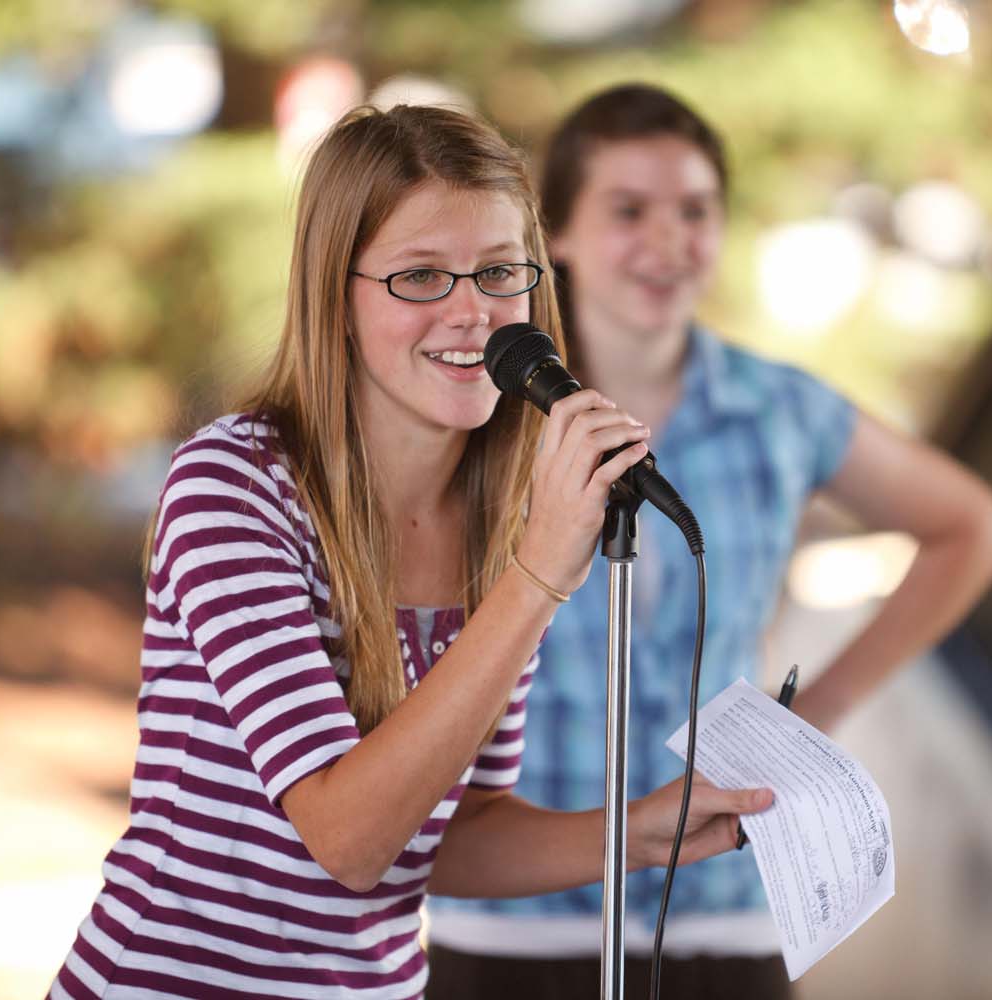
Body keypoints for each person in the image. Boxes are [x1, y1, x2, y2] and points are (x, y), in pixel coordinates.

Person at [46, 103, 775, 1000]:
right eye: (422, 276)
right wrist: (539, 577)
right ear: (337, 298)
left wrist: (635, 833)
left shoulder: (501, 521)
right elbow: (349, 841)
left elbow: (447, 831)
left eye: (499, 272)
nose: (475, 315)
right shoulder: (232, 486)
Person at [425, 84, 992, 999]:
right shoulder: (483, 413)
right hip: (514, 924)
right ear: (560, 236)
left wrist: (819, 711)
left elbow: (973, 528)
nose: (668, 242)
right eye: (630, 211)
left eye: (695, 211)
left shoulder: (779, 408)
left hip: (725, 910)